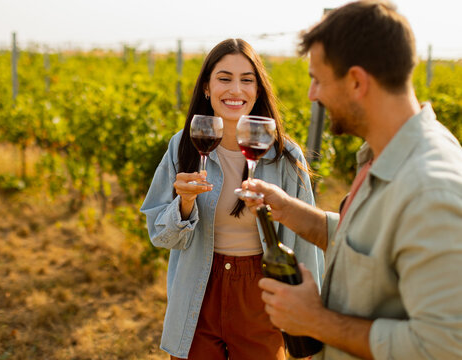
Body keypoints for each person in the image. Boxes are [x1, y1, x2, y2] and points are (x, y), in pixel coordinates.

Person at [241, 1, 462, 359]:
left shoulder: (429, 189)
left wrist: (315, 321)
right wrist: (287, 209)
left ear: (357, 81)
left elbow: (443, 347)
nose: (312, 94)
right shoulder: (383, 155)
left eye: (317, 79)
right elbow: (368, 248)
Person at [140, 38, 324, 359]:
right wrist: (183, 204)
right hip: (198, 287)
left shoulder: (284, 156)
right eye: (224, 78)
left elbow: (305, 245)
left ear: (258, 90)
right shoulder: (182, 146)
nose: (235, 90)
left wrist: (307, 322)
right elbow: (161, 235)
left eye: (247, 80)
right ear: (207, 88)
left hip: (262, 291)